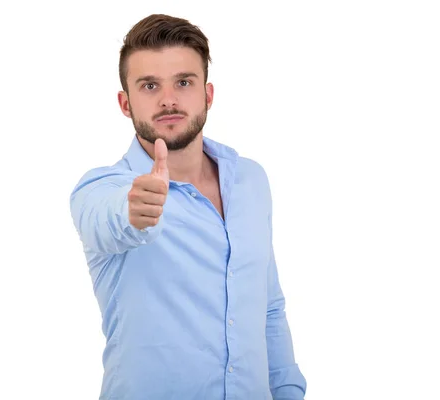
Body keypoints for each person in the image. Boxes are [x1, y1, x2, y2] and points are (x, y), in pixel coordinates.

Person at [69, 13, 307, 400]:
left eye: (184, 82)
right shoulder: (103, 189)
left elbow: (268, 309)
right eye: (149, 86)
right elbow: (105, 219)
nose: (168, 99)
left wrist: (288, 392)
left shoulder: (250, 180)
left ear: (208, 94)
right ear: (125, 103)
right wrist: (132, 212)